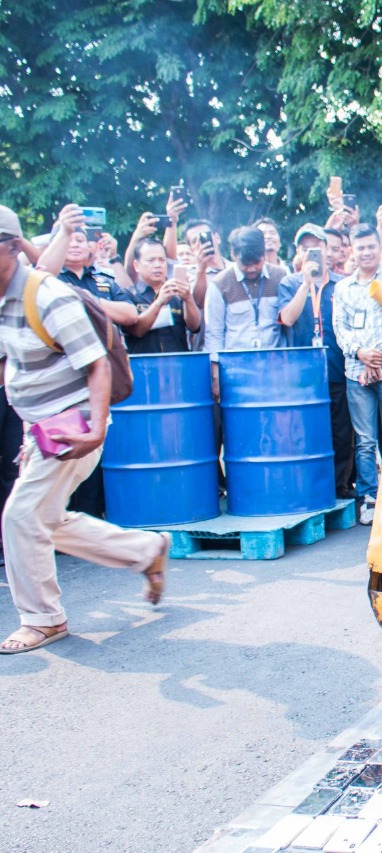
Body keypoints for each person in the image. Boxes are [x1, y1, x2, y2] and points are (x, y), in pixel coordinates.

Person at [0, 204, 170, 654]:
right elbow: (18, 367)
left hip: (73, 424)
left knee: (20, 517)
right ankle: (145, 550)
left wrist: (95, 430)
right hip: (42, 427)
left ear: (12, 248)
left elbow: (96, 366)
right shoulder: (3, 299)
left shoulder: (47, 297)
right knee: (47, 520)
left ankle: (43, 620)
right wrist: (27, 431)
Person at [332, 224, 382, 526]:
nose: (366, 252)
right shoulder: (343, 288)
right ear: (351, 249)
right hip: (356, 372)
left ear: (380, 247)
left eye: (371, 246)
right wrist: (361, 354)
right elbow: (341, 329)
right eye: (360, 247)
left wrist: (375, 353)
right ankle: (369, 497)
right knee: (364, 440)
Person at [278, 225, 355, 499]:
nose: (311, 253)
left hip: (337, 365)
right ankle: (310, 487)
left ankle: (338, 487)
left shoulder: (343, 283)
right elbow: (287, 318)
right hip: (303, 372)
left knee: (341, 431)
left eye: (317, 247)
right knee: (306, 430)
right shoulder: (289, 283)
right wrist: (306, 283)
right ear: (298, 252)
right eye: (304, 247)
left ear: (327, 250)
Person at [203, 227, 287, 354]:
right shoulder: (219, 284)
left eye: (257, 262)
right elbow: (214, 333)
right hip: (235, 364)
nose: (252, 269)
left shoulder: (280, 277)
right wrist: (215, 365)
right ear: (233, 255)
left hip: (274, 362)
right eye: (246, 264)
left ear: (264, 254)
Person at [124, 240, 201, 353]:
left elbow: (195, 327)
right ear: (136, 265)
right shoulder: (128, 294)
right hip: (144, 366)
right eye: (151, 260)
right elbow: (137, 330)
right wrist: (159, 301)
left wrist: (188, 298)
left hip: (178, 364)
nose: (157, 265)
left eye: (162, 260)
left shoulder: (176, 292)